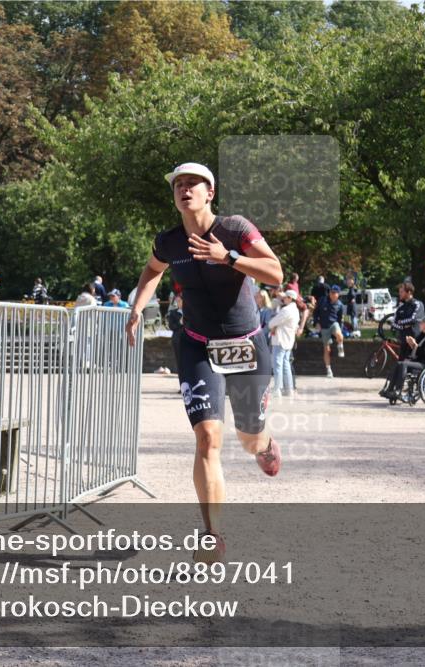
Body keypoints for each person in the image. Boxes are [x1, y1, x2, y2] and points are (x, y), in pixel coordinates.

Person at [125, 161, 284, 563]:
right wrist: (137, 308)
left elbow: (275, 273)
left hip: (246, 344)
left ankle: (263, 443)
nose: (184, 189)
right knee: (207, 438)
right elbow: (152, 271)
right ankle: (213, 536)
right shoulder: (169, 242)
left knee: (248, 437)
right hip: (197, 345)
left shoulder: (234, 229)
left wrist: (227, 256)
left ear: (209, 192)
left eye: (192, 183)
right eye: (178, 184)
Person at [381, 316, 425, 401]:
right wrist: (411, 344)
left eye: (422, 323)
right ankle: (390, 389)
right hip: (417, 361)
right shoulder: (421, 335)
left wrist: (414, 345)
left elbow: (424, 352)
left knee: (403, 364)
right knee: (399, 363)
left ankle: (398, 390)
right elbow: (416, 350)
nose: (420, 324)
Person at [268, 289, 300, 398]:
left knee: (278, 365)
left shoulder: (286, 310)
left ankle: (277, 389)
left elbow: (272, 323)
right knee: (285, 365)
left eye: (285, 297)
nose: (284, 299)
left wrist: (272, 325)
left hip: (280, 340)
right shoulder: (295, 310)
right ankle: (289, 389)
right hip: (288, 341)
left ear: (290, 298)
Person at [314, 285, 346, 377]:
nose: (332, 294)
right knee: (327, 349)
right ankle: (328, 369)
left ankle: (340, 346)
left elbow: (341, 319)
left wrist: (341, 329)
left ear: (338, 294)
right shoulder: (322, 300)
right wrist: (317, 322)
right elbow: (316, 312)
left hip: (334, 323)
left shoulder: (340, 305)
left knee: (339, 335)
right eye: (331, 292)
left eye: (334, 293)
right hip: (324, 326)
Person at [167, 293, 184, 376]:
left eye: (179, 301)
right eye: (177, 301)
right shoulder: (173, 313)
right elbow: (171, 326)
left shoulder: (191, 312)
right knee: (180, 362)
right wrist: (180, 322)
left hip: (190, 340)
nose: (178, 303)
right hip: (178, 340)